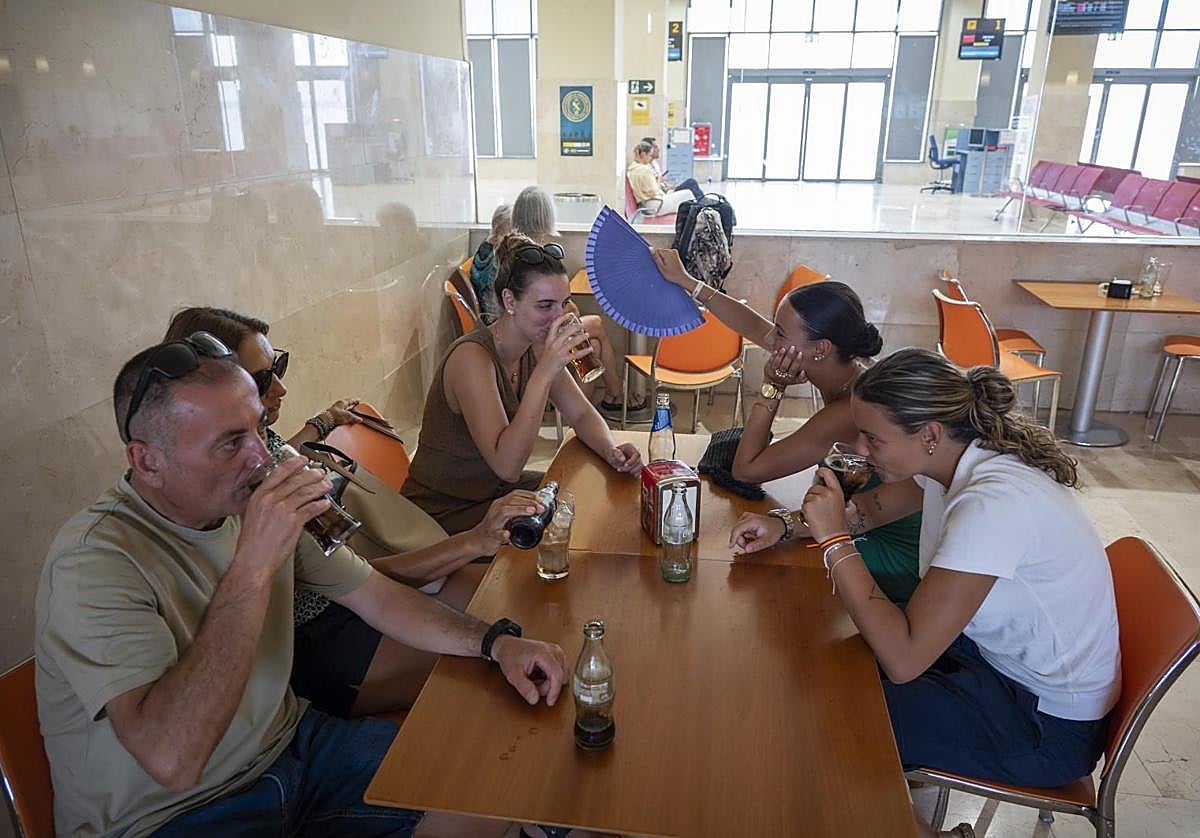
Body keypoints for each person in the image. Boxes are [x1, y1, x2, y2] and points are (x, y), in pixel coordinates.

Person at [34, 332, 569, 838]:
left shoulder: (248, 501)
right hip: (170, 815)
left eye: (257, 428)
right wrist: (254, 562)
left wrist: (496, 643)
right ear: (147, 460)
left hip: (291, 748)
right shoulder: (94, 561)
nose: (262, 457)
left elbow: (381, 599)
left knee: (490, 793)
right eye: (230, 443)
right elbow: (173, 759)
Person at [735, 348, 1120, 838]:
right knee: (826, 667)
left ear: (930, 435)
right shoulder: (958, 461)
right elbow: (870, 509)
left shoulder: (992, 503)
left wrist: (832, 541)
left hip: (1044, 728)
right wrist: (784, 525)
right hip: (1000, 669)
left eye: (873, 438)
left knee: (830, 721)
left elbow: (906, 659)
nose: (860, 448)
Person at [162, 307, 539, 717]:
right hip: (328, 640)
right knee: (488, 678)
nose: (282, 389)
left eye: (279, 366)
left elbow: (357, 575)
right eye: (265, 378)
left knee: (520, 601)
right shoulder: (253, 493)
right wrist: (472, 543)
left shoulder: (264, 453)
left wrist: (322, 423)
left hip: (361, 596)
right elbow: (363, 583)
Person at [653, 249, 921, 603]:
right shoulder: (848, 367)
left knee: (771, 584)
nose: (770, 341)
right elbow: (751, 325)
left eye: (780, 334)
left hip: (896, 554)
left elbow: (747, 469)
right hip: (869, 521)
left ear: (821, 349)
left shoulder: (847, 411)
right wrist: (689, 283)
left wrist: (773, 387)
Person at [402, 233, 643, 533]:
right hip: (443, 511)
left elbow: (580, 413)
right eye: (545, 306)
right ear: (509, 301)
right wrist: (545, 373)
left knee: (591, 492)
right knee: (565, 528)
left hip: (493, 493)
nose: (560, 317)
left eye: (564, 303)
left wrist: (612, 452)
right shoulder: (472, 360)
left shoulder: (535, 343)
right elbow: (508, 465)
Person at [511, 185, 645, 413]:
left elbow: (563, 308)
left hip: (532, 336)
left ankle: (580, 413)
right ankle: (615, 395)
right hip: (531, 342)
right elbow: (566, 310)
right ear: (545, 216)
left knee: (592, 346)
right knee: (597, 325)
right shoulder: (530, 256)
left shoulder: (519, 248)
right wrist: (567, 311)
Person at [627, 141, 703, 217]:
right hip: (655, 205)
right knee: (688, 193)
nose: (650, 158)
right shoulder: (645, 170)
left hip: (647, 203)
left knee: (687, 193)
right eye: (650, 155)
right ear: (644, 154)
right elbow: (653, 191)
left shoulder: (633, 168)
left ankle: (702, 209)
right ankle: (702, 213)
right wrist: (659, 181)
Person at [469, 204, 513, 324]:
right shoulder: (495, 254)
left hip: (493, 310)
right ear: (502, 227)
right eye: (513, 227)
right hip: (494, 317)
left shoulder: (488, 245)